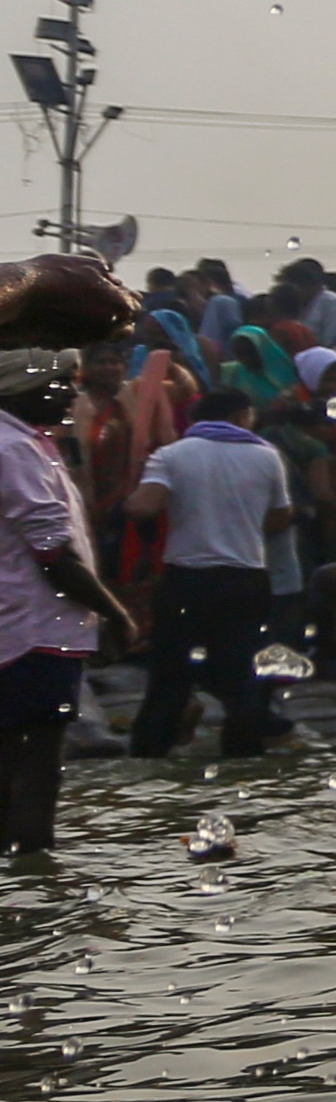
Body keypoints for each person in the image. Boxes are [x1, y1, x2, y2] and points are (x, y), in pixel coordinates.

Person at [0, 348, 140, 855]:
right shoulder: (13, 448)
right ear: (18, 389)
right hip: (33, 630)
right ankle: (40, 892)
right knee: (39, 768)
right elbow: (52, 553)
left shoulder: (28, 442)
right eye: (61, 385)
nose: (72, 395)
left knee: (13, 764)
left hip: (28, 628)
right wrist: (114, 611)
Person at [127, 388, 297, 760]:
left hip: (187, 581)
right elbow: (282, 515)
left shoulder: (171, 455)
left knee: (169, 679)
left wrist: (129, 494)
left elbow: (143, 507)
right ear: (240, 416)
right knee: (243, 680)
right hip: (245, 580)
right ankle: (244, 764)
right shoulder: (267, 457)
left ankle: (146, 765)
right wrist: (242, 525)